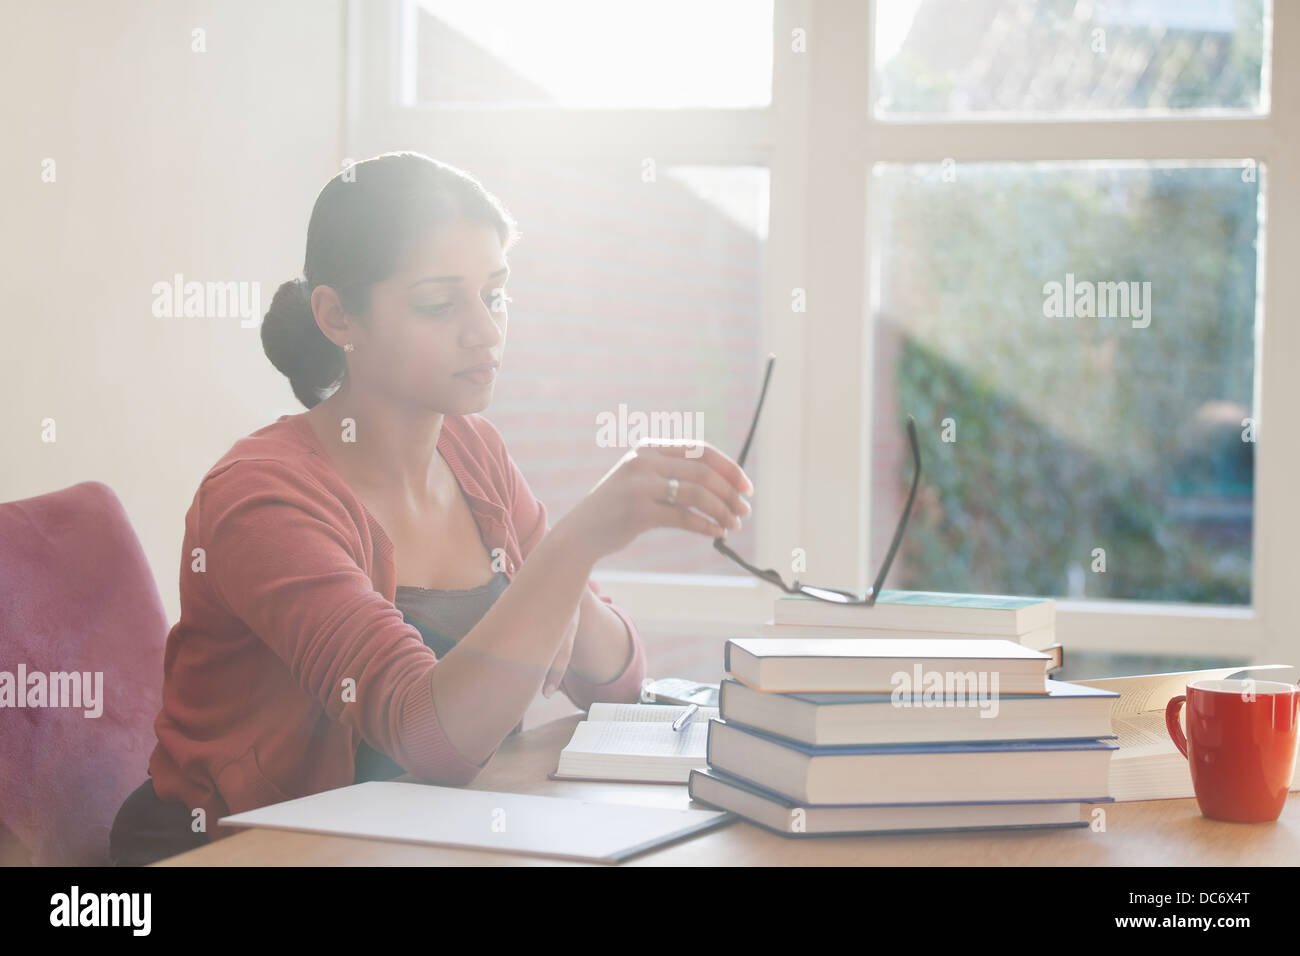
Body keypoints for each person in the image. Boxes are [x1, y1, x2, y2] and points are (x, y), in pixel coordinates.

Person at [108, 152, 753, 866]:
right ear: (337, 315)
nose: (484, 331)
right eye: (440, 304)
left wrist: (568, 571)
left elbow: (613, 684)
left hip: (410, 837)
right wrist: (573, 545)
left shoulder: (472, 451)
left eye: (495, 295)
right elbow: (429, 736)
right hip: (243, 850)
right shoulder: (260, 500)